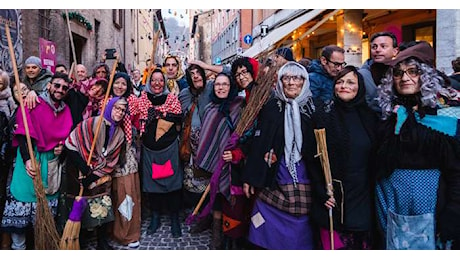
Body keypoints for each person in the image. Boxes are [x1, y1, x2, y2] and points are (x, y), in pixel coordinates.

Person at [375, 41, 460, 250]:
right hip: (390, 202)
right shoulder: (389, 114)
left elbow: (457, 171)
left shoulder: (447, 115)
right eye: (398, 73)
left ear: (426, 76)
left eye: (413, 71)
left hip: (432, 204)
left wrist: (454, 211)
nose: (405, 78)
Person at [241, 61, 318, 249]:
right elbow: (260, 143)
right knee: (266, 222)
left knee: (302, 228)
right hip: (275, 174)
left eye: (297, 78)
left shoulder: (314, 108)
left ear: (305, 81)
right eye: (287, 78)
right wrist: (250, 177)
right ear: (280, 82)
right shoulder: (272, 107)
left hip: (306, 177)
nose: (291, 83)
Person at [1, 73, 73, 250]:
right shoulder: (33, 103)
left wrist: (61, 148)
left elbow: (66, 137)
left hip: (50, 163)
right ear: (49, 86)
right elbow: (24, 134)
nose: (60, 90)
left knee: (45, 212)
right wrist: (27, 160)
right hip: (30, 158)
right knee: (22, 206)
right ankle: (19, 249)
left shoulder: (66, 110)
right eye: (57, 85)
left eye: (64, 88)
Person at [311, 65, 378, 249]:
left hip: (363, 197)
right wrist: (321, 191)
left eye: (350, 82)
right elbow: (312, 158)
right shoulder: (323, 115)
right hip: (333, 198)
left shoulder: (370, 116)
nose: (343, 86)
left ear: (360, 87)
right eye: (339, 82)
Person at [65, 97, 127, 250]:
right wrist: (84, 169)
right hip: (80, 171)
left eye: (123, 110)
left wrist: (93, 176)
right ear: (110, 107)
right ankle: (81, 238)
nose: (120, 112)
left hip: (100, 175)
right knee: (82, 204)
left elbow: (112, 160)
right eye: (117, 108)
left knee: (102, 204)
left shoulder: (119, 134)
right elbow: (71, 142)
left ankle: (102, 240)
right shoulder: (92, 123)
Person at [194, 72, 245, 249]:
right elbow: (208, 135)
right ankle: (216, 234)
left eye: (225, 84)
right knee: (215, 195)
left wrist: (237, 153)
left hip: (235, 162)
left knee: (231, 199)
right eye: (217, 85)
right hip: (216, 160)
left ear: (231, 86)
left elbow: (246, 136)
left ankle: (231, 236)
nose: (221, 87)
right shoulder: (209, 108)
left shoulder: (239, 106)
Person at [135, 68, 183, 238]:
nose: (157, 83)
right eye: (153, 80)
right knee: (152, 186)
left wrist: (160, 113)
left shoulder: (172, 99)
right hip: (149, 150)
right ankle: (155, 217)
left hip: (169, 148)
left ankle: (174, 218)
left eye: (160, 80)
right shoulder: (142, 99)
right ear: (149, 82)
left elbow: (178, 118)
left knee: (173, 185)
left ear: (164, 82)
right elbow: (135, 118)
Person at [106, 72, 141, 248]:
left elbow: (137, 125)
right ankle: (112, 231)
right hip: (108, 154)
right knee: (111, 194)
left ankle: (128, 233)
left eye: (124, 84)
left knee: (127, 193)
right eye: (117, 83)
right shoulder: (105, 102)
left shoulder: (132, 103)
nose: (120, 86)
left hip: (126, 155)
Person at [358, 31, 399, 113]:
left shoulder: (400, 73)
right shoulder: (361, 75)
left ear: (395, 51)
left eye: (383, 46)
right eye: (374, 47)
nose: (377, 50)